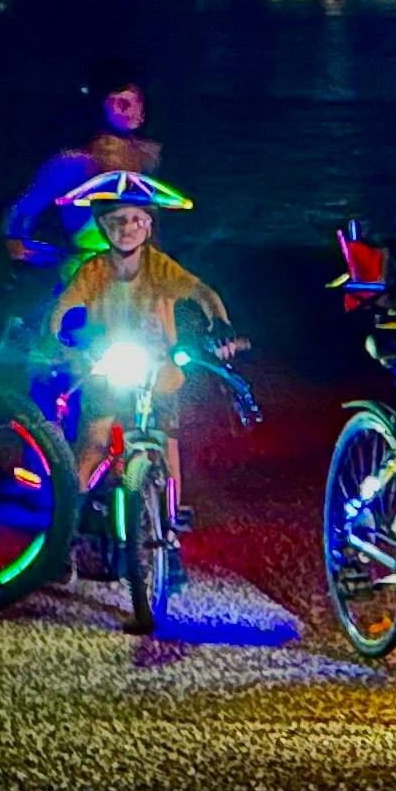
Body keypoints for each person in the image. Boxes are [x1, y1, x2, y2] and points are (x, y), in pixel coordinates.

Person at [44, 173, 243, 536]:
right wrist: (57, 340)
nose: (128, 228)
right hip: (107, 367)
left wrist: (219, 322)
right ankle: (68, 521)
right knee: (93, 441)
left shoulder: (158, 266)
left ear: (149, 226)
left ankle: (172, 514)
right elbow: (61, 311)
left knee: (167, 437)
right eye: (117, 221)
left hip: (157, 369)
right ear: (103, 227)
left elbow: (201, 292)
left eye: (137, 220)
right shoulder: (94, 270)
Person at [5, 58, 162, 268]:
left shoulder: (152, 160)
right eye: (120, 102)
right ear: (101, 107)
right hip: (89, 271)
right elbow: (25, 210)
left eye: (137, 102)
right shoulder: (73, 163)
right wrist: (16, 240)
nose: (130, 110)